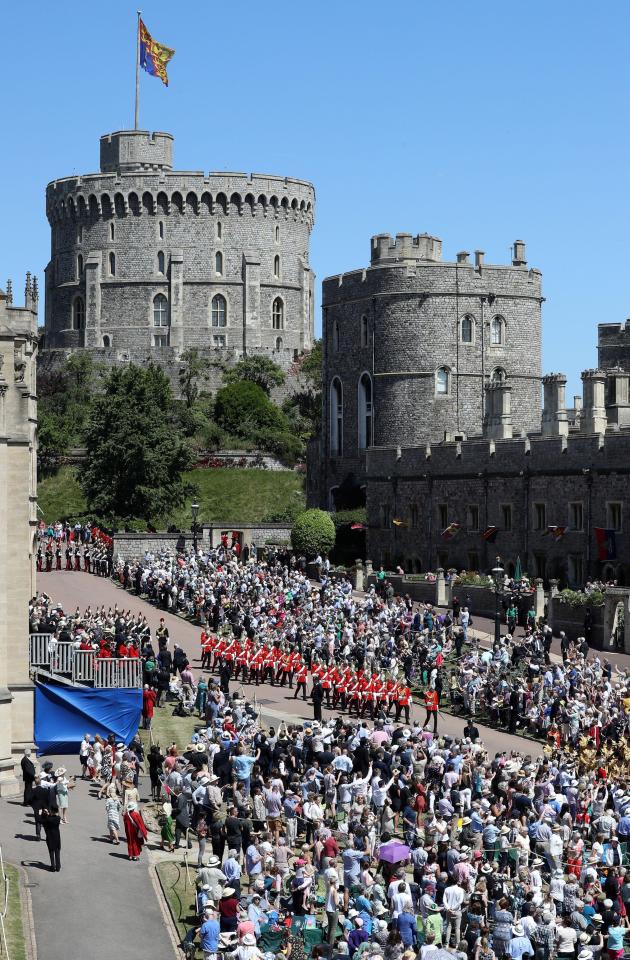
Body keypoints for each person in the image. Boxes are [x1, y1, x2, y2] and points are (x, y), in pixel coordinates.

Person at [41, 807, 62, 872]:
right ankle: (58, 867)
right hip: (57, 837)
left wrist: (43, 814)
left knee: (51, 852)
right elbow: (56, 815)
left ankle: (53, 866)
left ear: (51, 812)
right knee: (57, 852)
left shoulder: (48, 819)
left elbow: (41, 820)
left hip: (50, 837)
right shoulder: (58, 818)